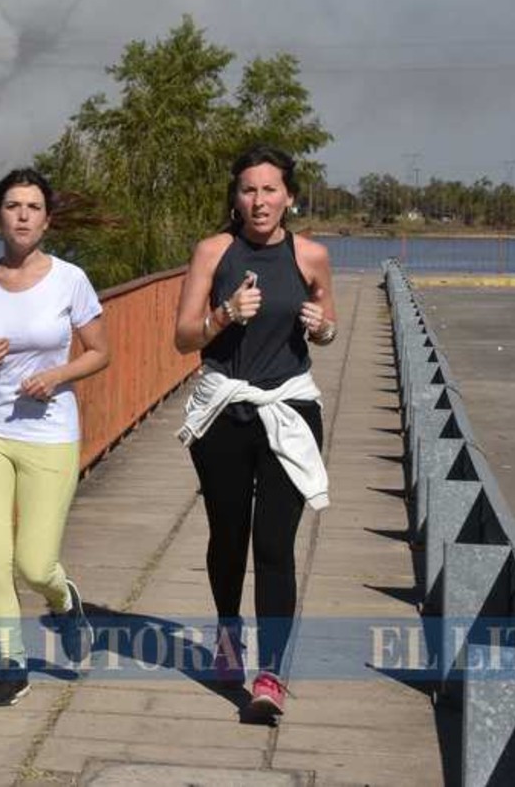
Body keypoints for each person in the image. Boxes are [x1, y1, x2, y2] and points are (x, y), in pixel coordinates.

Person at [172, 146, 336, 720]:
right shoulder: (213, 252)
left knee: (274, 544)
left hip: (289, 410)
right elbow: (185, 338)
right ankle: (226, 629)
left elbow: (327, 326)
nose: (259, 201)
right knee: (228, 535)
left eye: (270, 190)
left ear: (289, 196)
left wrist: (324, 328)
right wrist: (225, 315)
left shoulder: (311, 255)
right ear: (235, 198)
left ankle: (268, 675)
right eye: (248, 190)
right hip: (225, 412)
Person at [0, 167, 111, 706]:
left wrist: (58, 376)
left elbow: (100, 351)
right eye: (12, 205)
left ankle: (65, 604)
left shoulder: (70, 280)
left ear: (47, 219)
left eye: (33, 207)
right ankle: (11, 663)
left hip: (50, 434)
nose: (22, 215)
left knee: (34, 563)